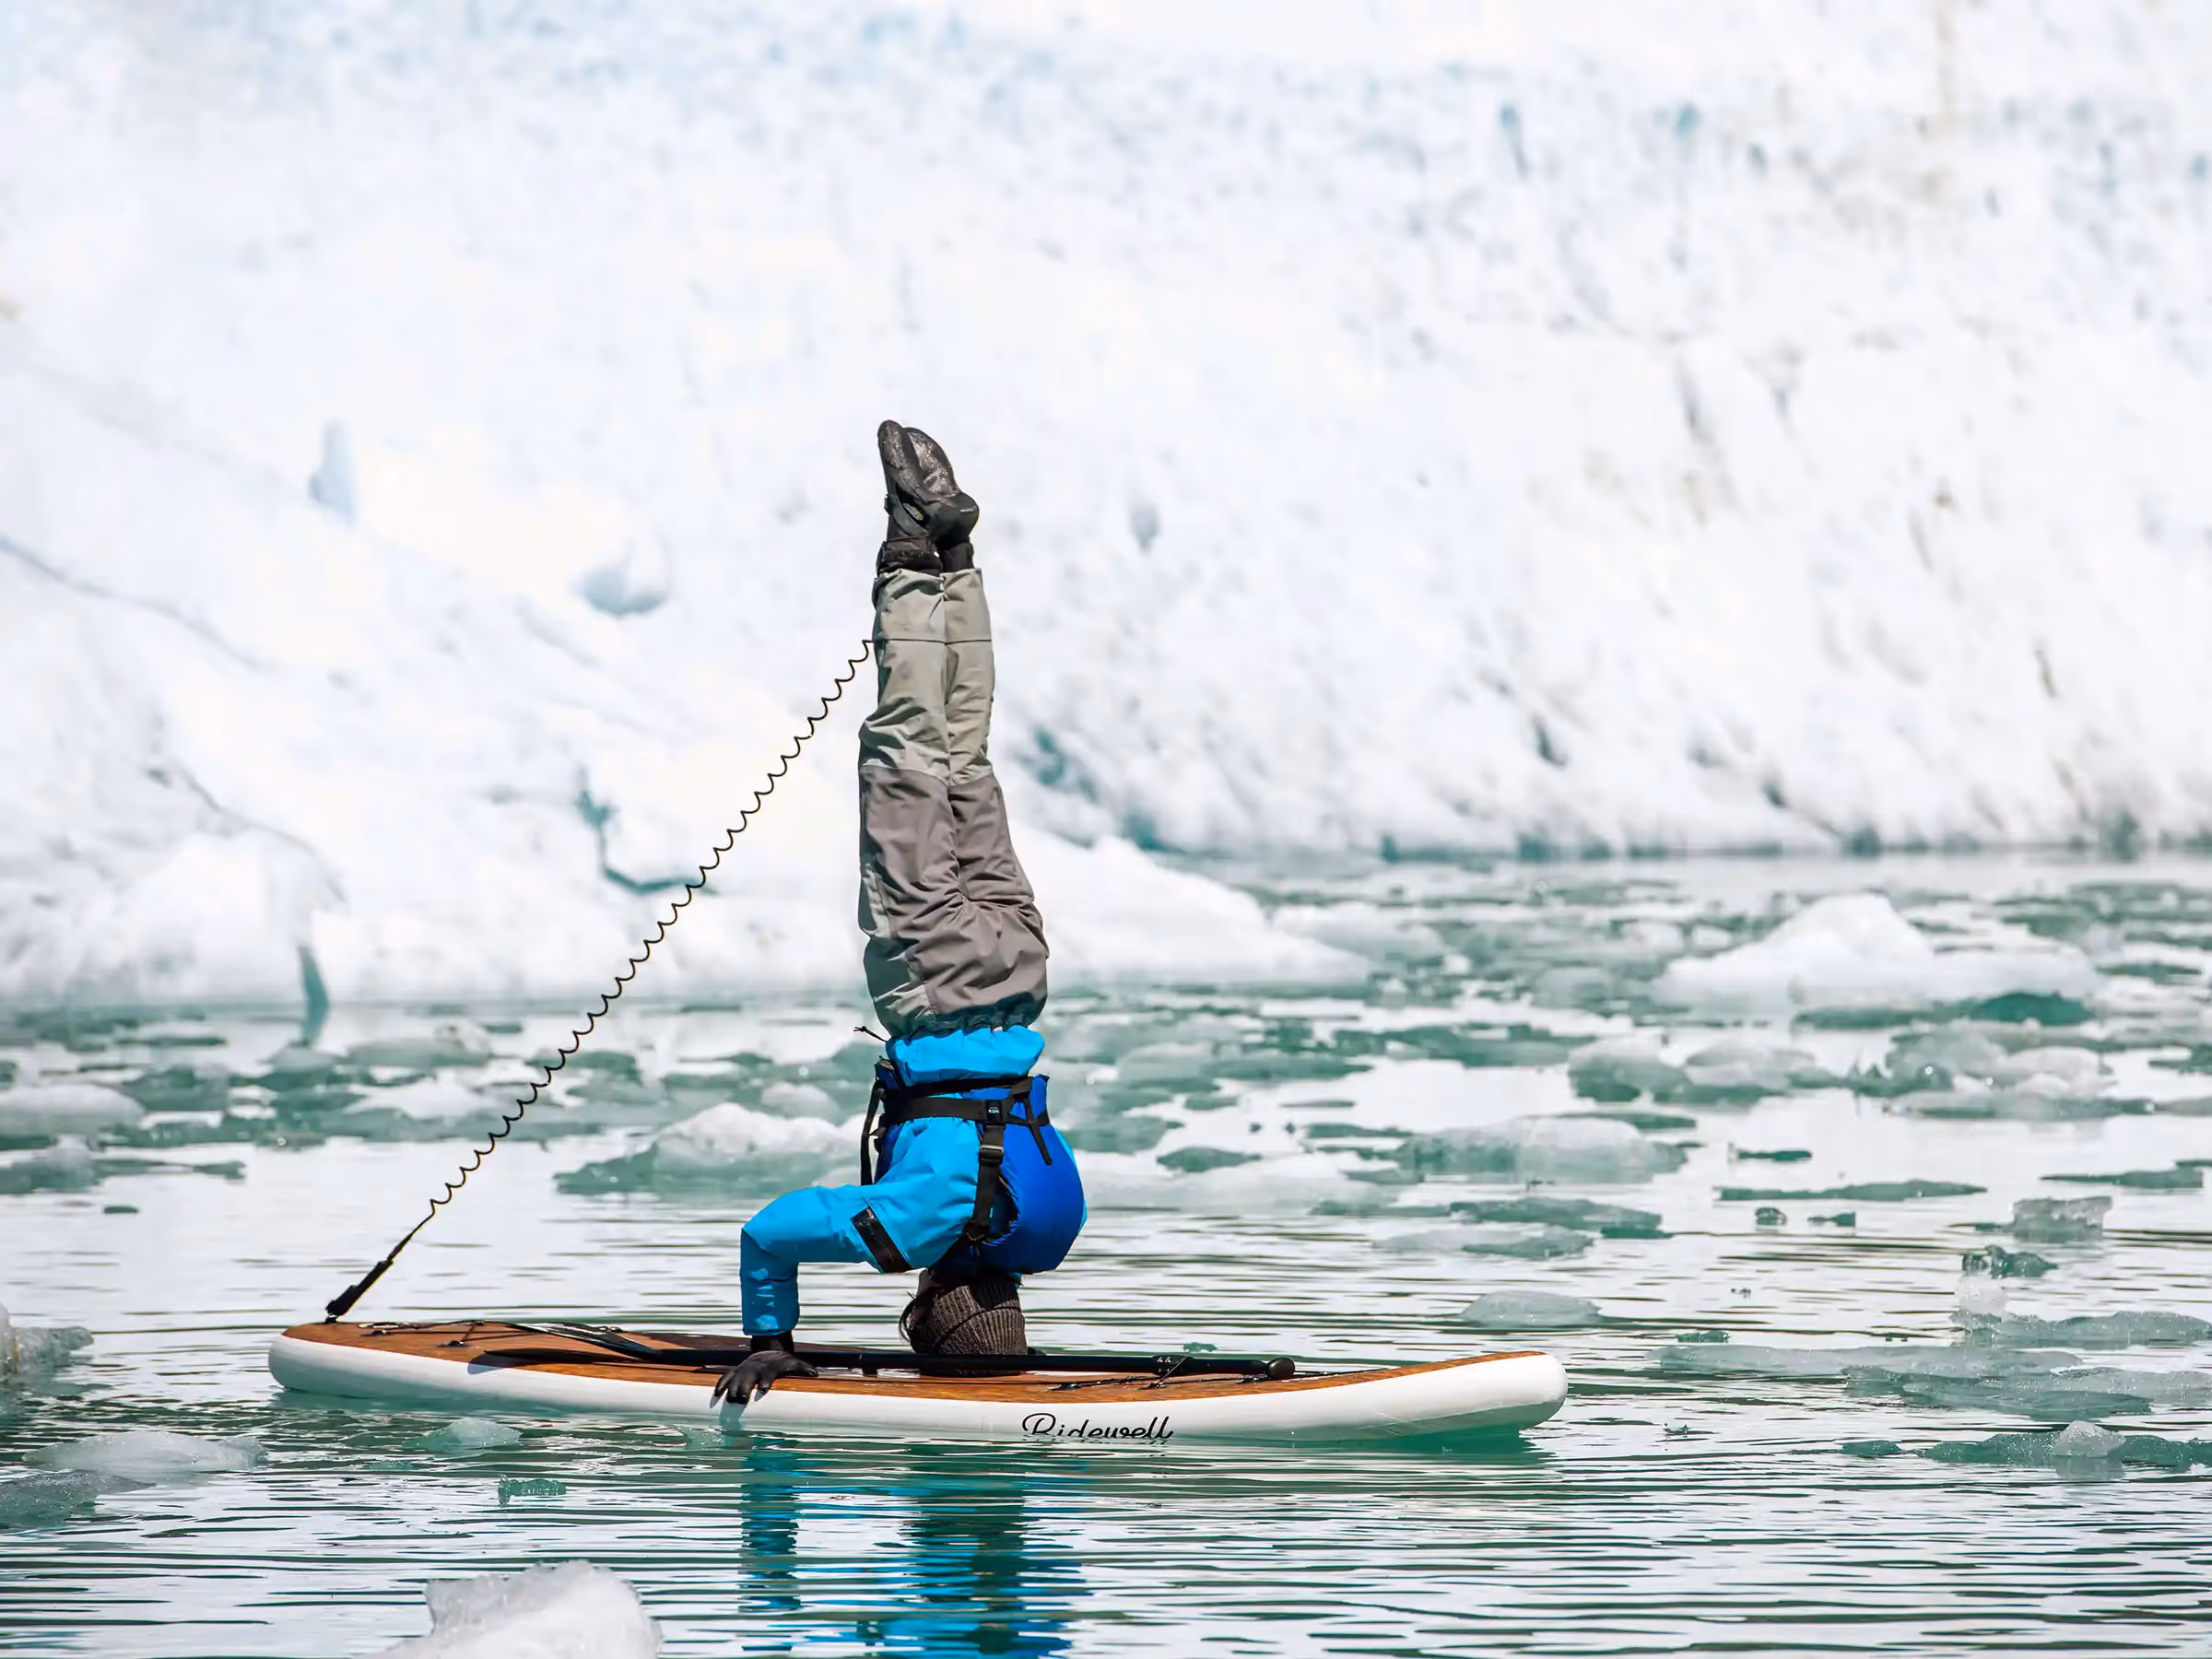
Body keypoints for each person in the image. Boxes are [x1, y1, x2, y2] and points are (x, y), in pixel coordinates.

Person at [713, 422, 1087, 1406]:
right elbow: (767, 1233)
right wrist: (773, 1338)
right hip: (936, 976)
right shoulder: (918, 1227)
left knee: (963, 756)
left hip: (1016, 975)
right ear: (932, 1305)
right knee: (910, 752)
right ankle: (912, 553)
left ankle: (958, 565)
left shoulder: (1045, 1228)